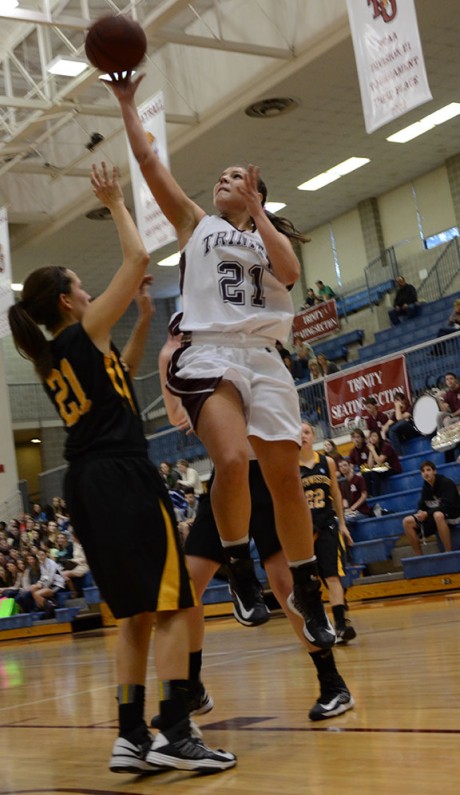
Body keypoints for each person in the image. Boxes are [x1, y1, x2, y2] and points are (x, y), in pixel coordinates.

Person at [8, 163, 235, 774]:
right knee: (172, 605)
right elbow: (137, 258)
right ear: (66, 301)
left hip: (88, 484)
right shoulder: (82, 330)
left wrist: (138, 317)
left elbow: (122, 374)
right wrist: (113, 202)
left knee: (135, 611)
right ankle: (177, 732)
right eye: (81, 288)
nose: (87, 293)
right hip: (120, 477)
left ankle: (131, 735)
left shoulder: (58, 354)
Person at [111, 72, 335, 652]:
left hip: (265, 356)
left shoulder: (267, 236)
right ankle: (238, 568)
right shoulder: (195, 224)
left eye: (235, 176)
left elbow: (288, 274)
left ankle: (308, 588)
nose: (223, 179)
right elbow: (148, 162)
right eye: (221, 175)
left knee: (285, 479)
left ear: (255, 191)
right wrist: (127, 102)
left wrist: (261, 212)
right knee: (232, 458)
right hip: (209, 350)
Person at [158, 345, 354, 721]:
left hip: (265, 474)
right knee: (187, 586)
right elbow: (176, 414)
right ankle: (193, 687)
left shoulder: (250, 334)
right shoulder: (190, 346)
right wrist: (170, 352)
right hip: (227, 478)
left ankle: (333, 685)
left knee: (284, 584)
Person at [299, 421, 356, 644]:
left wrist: (342, 524)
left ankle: (341, 625)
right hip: (303, 530)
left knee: (332, 575)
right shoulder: (290, 466)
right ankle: (316, 624)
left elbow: (335, 494)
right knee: (309, 582)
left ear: (313, 435)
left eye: (306, 432)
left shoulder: (328, 462)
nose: (302, 436)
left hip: (327, 525)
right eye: (298, 433)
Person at [402, 461, 460, 555]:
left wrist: (427, 514)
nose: (425, 473)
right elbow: (422, 505)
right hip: (436, 517)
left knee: (438, 515)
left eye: (428, 470)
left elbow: (447, 506)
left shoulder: (446, 483)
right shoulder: (426, 486)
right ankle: (419, 556)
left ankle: (448, 552)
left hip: (454, 516)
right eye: (423, 471)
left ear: (434, 471)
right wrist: (420, 512)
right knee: (407, 521)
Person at [365, 430, 402, 496]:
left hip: (393, 468)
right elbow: (370, 466)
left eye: (374, 436)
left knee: (374, 472)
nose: (372, 438)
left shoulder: (386, 446)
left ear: (379, 437)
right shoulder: (374, 448)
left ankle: (377, 495)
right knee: (366, 472)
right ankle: (369, 495)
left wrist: (373, 450)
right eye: (371, 436)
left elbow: (379, 462)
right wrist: (371, 451)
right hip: (384, 468)